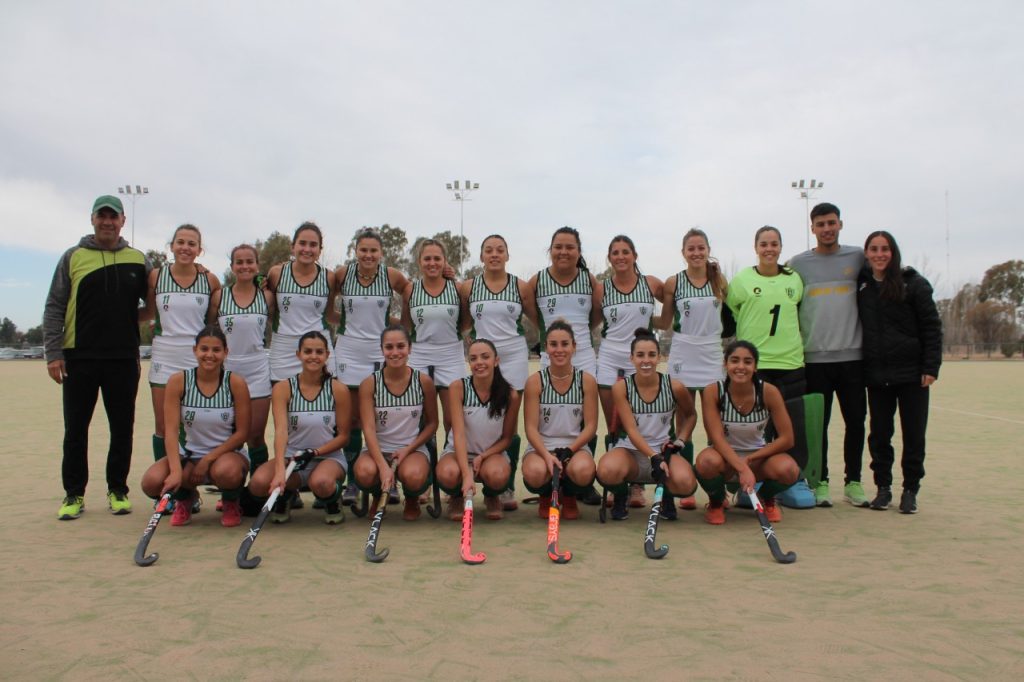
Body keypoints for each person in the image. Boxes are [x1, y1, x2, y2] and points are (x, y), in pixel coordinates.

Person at [45, 195, 151, 520]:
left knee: (122, 428)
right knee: (76, 430)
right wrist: (53, 353)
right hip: (79, 357)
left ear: (122, 221)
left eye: (113, 217)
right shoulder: (72, 256)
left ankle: (117, 490)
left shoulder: (138, 259)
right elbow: (55, 306)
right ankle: (73, 494)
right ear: (92, 219)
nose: (107, 222)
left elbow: (158, 301)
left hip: (123, 358)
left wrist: (126, 321)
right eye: (101, 216)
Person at [788, 203, 868, 507]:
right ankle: (820, 481)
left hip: (852, 359)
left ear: (840, 224)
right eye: (820, 224)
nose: (827, 229)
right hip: (815, 360)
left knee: (856, 423)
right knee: (817, 427)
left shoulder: (857, 257)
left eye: (831, 223)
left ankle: (854, 482)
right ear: (812, 229)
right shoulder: (798, 264)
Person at [857, 231, 942, 514]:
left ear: (893, 252)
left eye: (885, 249)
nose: (879, 254)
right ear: (866, 253)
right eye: (874, 249)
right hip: (877, 375)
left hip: (912, 374)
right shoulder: (862, 284)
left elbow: (931, 327)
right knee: (880, 434)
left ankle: (910, 490)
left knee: (914, 434)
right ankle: (883, 488)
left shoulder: (914, 284)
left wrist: (931, 367)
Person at [139, 326, 251, 527]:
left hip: (226, 456)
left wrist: (207, 459)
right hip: (189, 454)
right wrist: (175, 471)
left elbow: (242, 433)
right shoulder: (178, 381)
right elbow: (171, 431)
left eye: (216, 350)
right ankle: (185, 499)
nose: (210, 355)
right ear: (195, 350)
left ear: (226, 352)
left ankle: (231, 501)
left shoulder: (235, 383)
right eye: (204, 349)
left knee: (227, 472)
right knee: (151, 482)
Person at [333, 228, 409, 504]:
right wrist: (345, 322)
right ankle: (353, 482)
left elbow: (412, 292)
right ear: (355, 251)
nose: (368, 255)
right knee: (352, 420)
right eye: (363, 250)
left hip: (381, 351)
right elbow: (326, 307)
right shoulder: (342, 275)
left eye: (373, 250)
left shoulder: (392, 276)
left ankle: (391, 478)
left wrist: (399, 327)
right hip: (349, 351)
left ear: (381, 253)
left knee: (384, 418)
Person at [459, 234, 534, 511]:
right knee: (472, 414)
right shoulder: (469, 287)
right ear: (481, 256)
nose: (494, 254)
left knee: (508, 421)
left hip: (513, 356)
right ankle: (460, 480)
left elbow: (537, 319)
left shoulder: (520, 286)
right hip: (482, 357)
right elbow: (463, 322)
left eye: (500, 250)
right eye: (489, 250)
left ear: (507, 255)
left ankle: (505, 486)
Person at [659, 228, 732, 509]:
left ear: (708, 250)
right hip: (683, 352)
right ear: (683, 252)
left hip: (712, 352)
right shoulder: (674, 282)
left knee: (716, 422)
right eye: (691, 248)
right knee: (684, 421)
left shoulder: (719, 280)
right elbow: (665, 321)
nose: (696, 253)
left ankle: (717, 489)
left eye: (701, 248)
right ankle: (686, 485)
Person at [248, 331, 352, 524]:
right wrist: (280, 470)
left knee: (321, 483)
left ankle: (332, 500)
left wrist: (314, 452)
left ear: (327, 355)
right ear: (298, 354)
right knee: (258, 483)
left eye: (319, 352)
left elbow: (344, 436)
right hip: (293, 458)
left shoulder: (338, 389)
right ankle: (286, 495)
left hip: (327, 458)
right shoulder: (282, 388)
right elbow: (280, 431)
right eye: (308, 351)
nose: (313, 356)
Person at [695, 340, 801, 524]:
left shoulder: (768, 392)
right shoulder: (713, 391)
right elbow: (716, 438)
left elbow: (787, 439)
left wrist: (750, 460)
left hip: (757, 458)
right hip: (724, 457)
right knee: (706, 462)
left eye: (748, 361)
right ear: (725, 364)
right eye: (734, 360)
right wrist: (741, 467)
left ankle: (765, 498)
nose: (741, 367)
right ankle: (717, 502)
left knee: (789, 470)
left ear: (755, 367)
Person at [596, 329, 697, 521]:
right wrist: (653, 457)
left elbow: (691, 415)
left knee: (686, 483)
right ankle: (621, 496)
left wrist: (680, 441)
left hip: (664, 451)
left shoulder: (675, 386)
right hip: (630, 451)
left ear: (659, 357)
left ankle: (666, 496)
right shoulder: (621, 388)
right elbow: (631, 429)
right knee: (607, 471)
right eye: (640, 355)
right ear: (632, 358)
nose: (646, 360)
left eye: (651, 355)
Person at [595, 235, 663, 509]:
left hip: (641, 359)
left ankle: (637, 484)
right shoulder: (602, 289)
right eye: (615, 252)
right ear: (609, 258)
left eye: (625, 251)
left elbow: (670, 312)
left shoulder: (651, 284)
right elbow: (593, 321)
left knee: (639, 421)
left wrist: (655, 324)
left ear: (634, 255)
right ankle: (617, 484)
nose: (620, 256)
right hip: (610, 359)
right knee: (615, 426)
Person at [146, 224, 221, 463]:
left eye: (191, 244)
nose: (185, 248)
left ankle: (190, 479)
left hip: (195, 358)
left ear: (199, 250)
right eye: (180, 242)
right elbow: (149, 311)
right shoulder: (156, 276)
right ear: (171, 246)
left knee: (191, 423)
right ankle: (165, 479)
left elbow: (212, 323)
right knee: (163, 424)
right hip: (164, 356)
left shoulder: (210, 280)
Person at [352, 325, 439, 521]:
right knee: (365, 473)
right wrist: (383, 466)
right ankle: (377, 496)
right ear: (381, 349)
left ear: (410, 348)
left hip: (412, 449)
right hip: (377, 449)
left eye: (401, 346)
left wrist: (408, 449)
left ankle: (411, 498)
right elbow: (368, 429)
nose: (395, 352)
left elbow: (432, 424)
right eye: (389, 347)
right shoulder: (369, 384)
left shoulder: (423, 382)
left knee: (414, 476)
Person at [436, 339, 522, 521]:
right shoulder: (458, 387)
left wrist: (483, 456)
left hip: (491, 454)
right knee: (447, 474)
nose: (479, 362)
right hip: (458, 452)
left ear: (496, 361)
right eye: (473, 358)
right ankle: (456, 497)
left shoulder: (511, 395)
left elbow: (507, 438)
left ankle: (492, 496)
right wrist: (466, 474)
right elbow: (458, 433)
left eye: (485, 357)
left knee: (497, 475)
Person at [521, 320, 599, 521]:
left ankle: (570, 496)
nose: (559, 350)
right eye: (553, 344)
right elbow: (530, 428)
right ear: (546, 348)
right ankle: (546, 496)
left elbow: (591, 426)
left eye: (565, 344)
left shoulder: (587, 381)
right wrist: (547, 456)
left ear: (574, 347)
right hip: (541, 447)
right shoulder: (535, 381)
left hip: (575, 447)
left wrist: (570, 451)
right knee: (535, 473)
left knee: (584, 471)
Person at [210, 244, 275, 471]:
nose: (245, 266)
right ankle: (231, 484)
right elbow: (209, 330)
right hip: (228, 371)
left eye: (250, 262)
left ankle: (257, 485)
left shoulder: (267, 296)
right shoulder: (220, 296)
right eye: (239, 262)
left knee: (255, 435)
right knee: (229, 434)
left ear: (257, 265)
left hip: (257, 370)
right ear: (232, 266)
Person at [726, 226, 805, 399]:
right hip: (755, 363)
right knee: (757, 416)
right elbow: (732, 310)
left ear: (781, 247)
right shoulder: (742, 280)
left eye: (774, 244)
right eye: (763, 245)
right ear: (756, 248)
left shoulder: (794, 278)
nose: (769, 249)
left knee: (790, 416)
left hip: (790, 363)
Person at [403, 239, 465, 432]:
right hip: (420, 356)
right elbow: (406, 325)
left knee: (452, 419)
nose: (432, 263)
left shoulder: (458, 289)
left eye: (437, 258)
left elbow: (466, 322)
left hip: (451, 356)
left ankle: (452, 452)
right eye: (427, 258)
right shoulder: (410, 290)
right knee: (420, 420)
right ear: (419, 261)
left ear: (445, 261)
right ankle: (424, 452)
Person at [266, 222, 337, 383]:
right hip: (283, 351)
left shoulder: (329, 277)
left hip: (318, 350)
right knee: (282, 398)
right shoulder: (276, 274)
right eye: (302, 243)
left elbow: (329, 315)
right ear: (293, 247)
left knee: (324, 399)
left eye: (313, 245)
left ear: (320, 250)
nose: (307, 249)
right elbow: (270, 312)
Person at [528, 227, 602, 376]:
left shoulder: (589, 280)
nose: (563, 252)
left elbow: (597, 315)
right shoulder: (537, 281)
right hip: (550, 358)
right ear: (550, 251)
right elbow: (533, 316)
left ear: (579, 252)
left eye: (569, 247)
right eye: (558, 247)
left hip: (584, 358)